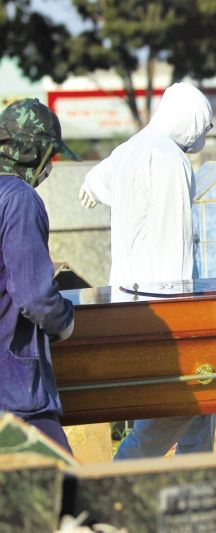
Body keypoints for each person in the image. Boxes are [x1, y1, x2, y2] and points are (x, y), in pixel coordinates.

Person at [78, 82, 216, 460]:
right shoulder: (170, 160)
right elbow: (176, 244)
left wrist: (92, 184)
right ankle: (123, 472)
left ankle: (196, 482)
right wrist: (188, 314)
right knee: (185, 400)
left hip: (128, 298)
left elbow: (98, 179)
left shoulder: (129, 149)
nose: (203, 135)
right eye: (202, 126)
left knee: (204, 403)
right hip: (164, 303)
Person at [0, 98, 79, 451]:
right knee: (65, 490)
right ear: (35, 153)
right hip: (14, 391)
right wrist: (65, 321)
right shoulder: (20, 200)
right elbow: (34, 296)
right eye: (52, 155)